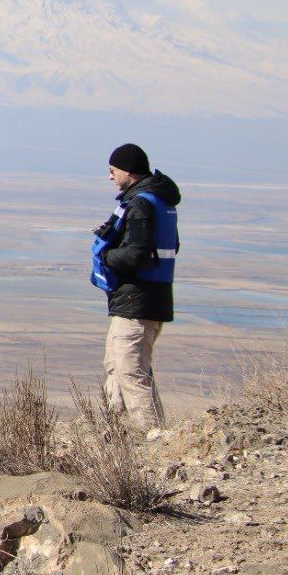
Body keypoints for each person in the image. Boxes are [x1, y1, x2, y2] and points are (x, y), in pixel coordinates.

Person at [91, 143, 180, 428]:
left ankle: (151, 436)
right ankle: (115, 432)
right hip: (146, 297)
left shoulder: (141, 203)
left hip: (137, 300)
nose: (110, 177)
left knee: (131, 371)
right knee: (116, 366)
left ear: (127, 170)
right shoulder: (160, 201)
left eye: (112, 170)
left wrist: (106, 255)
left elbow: (136, 253)